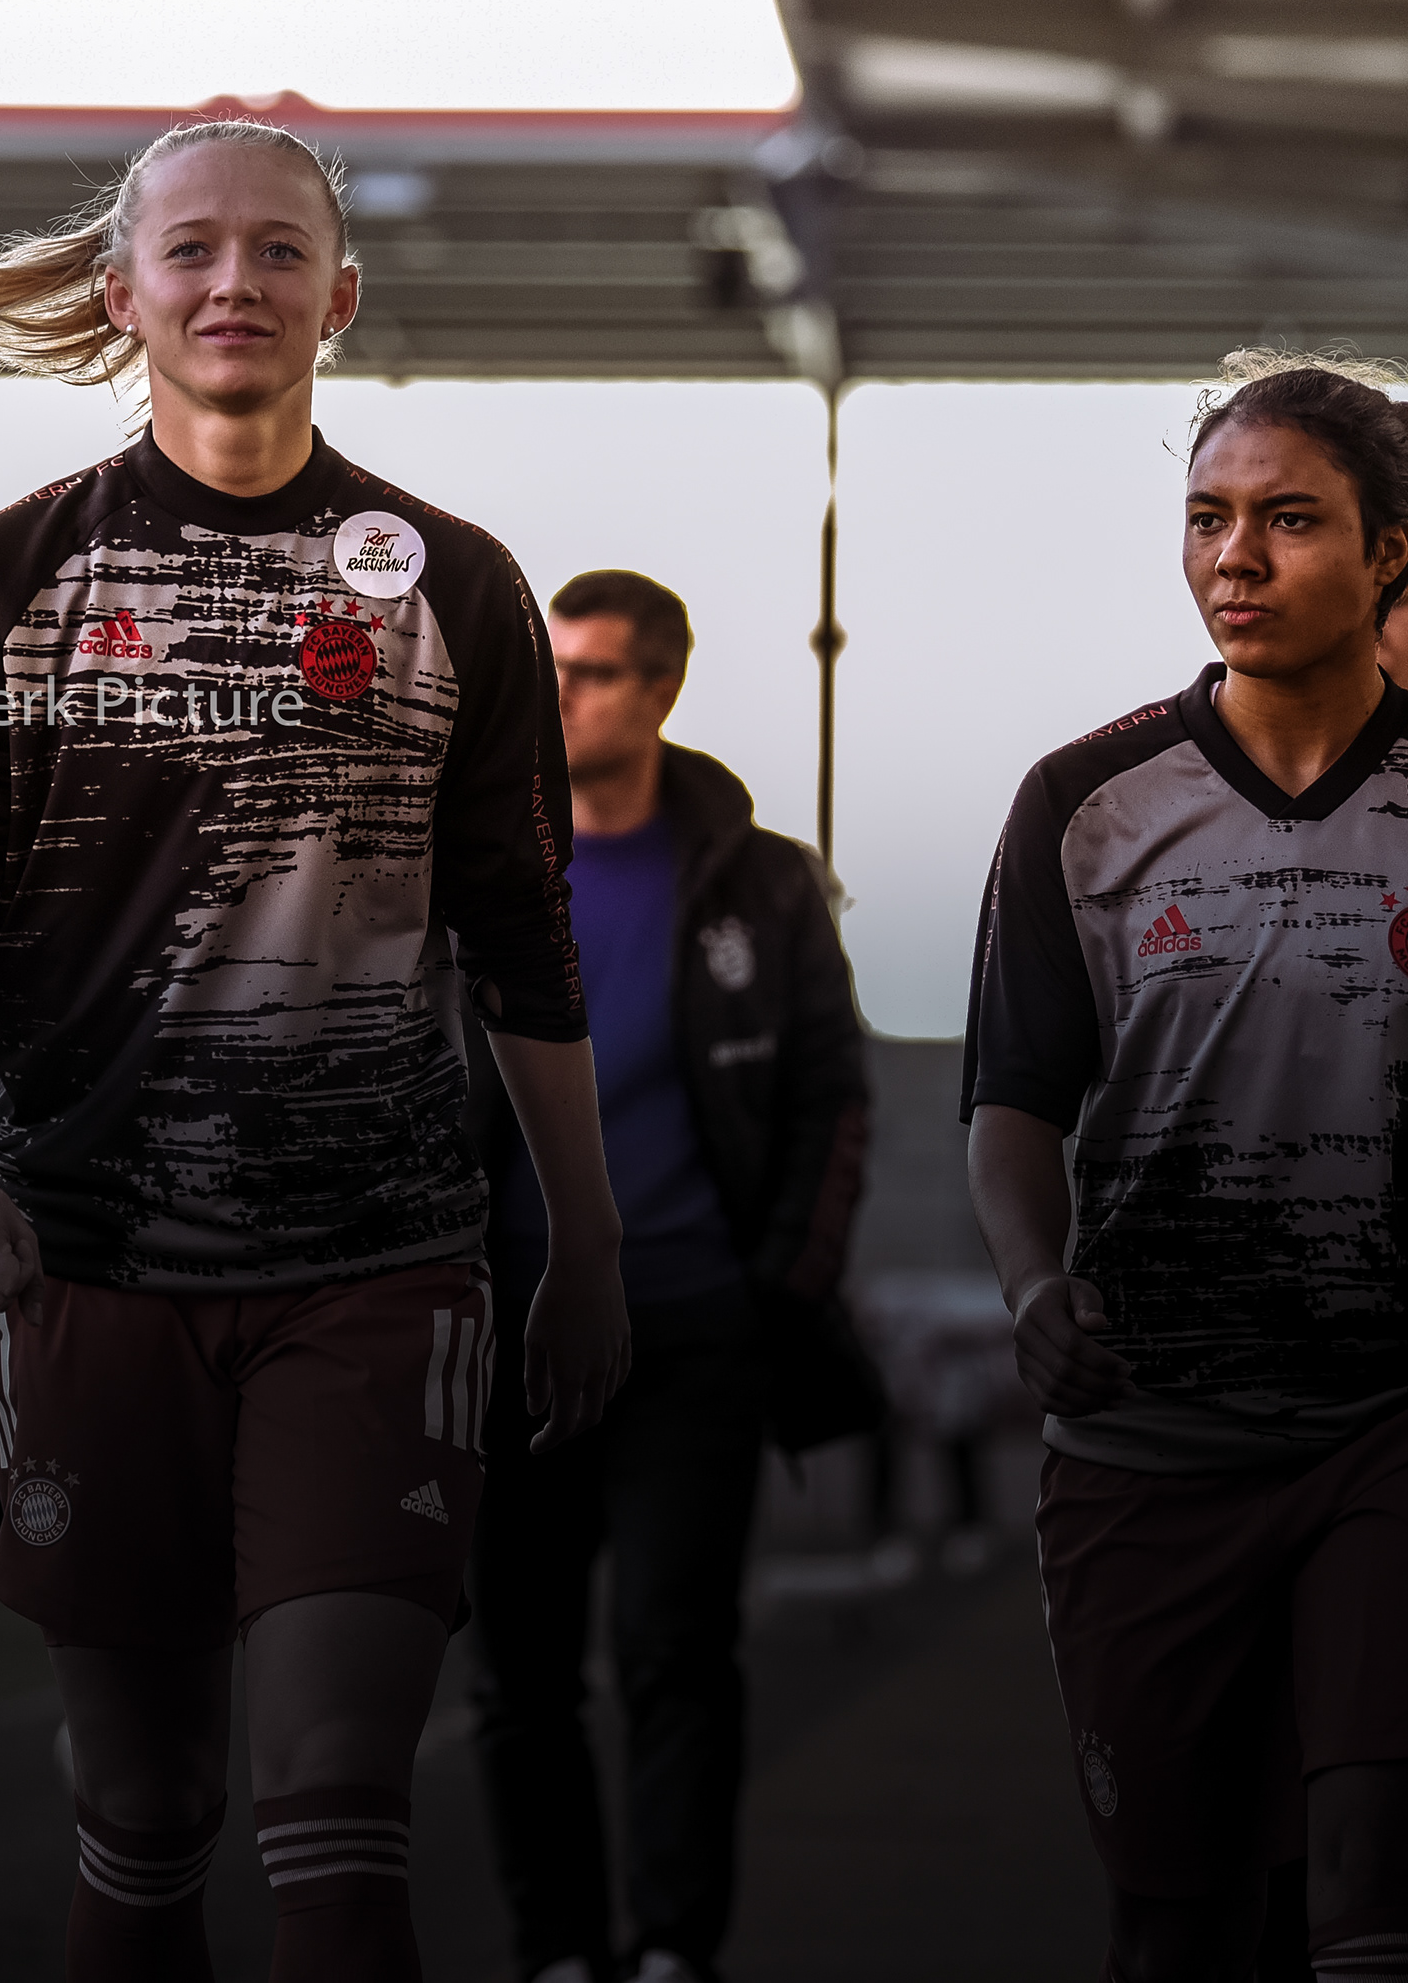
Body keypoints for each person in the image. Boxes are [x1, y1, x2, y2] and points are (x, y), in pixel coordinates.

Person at [0, 117, 634, 1982]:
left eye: (281, 250)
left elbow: (523, 933)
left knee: (334, 1798)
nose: (239, 283)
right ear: (122, 294)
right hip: (88, 1262)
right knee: (143, 1814)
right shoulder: (4, 579)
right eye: (196, 250)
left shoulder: (456, 584)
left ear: (342, 297)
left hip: (376, 1263)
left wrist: (587, 1240)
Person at [963, 352, 1408, 1983]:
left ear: (1388, 553)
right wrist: (1034, 1286)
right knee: (1174, 1927)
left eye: (1289, 519)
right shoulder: (1083, 805)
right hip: (1151, 1429)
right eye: (1207, 517)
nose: (1237, 556)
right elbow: (1011, 1107)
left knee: (1388, 1905)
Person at [462, 569, 868, 1983]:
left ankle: (674, 1952)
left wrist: (778, 1294)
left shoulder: (760, 880)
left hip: (695, 1332)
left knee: (673, 1652)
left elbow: (831, 1100)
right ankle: (558, 1952)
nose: (559, 699)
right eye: (548, 672)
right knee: (519, 1676)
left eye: (589, 674)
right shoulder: (475, 868)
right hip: (511, 1343)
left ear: (662, 688)